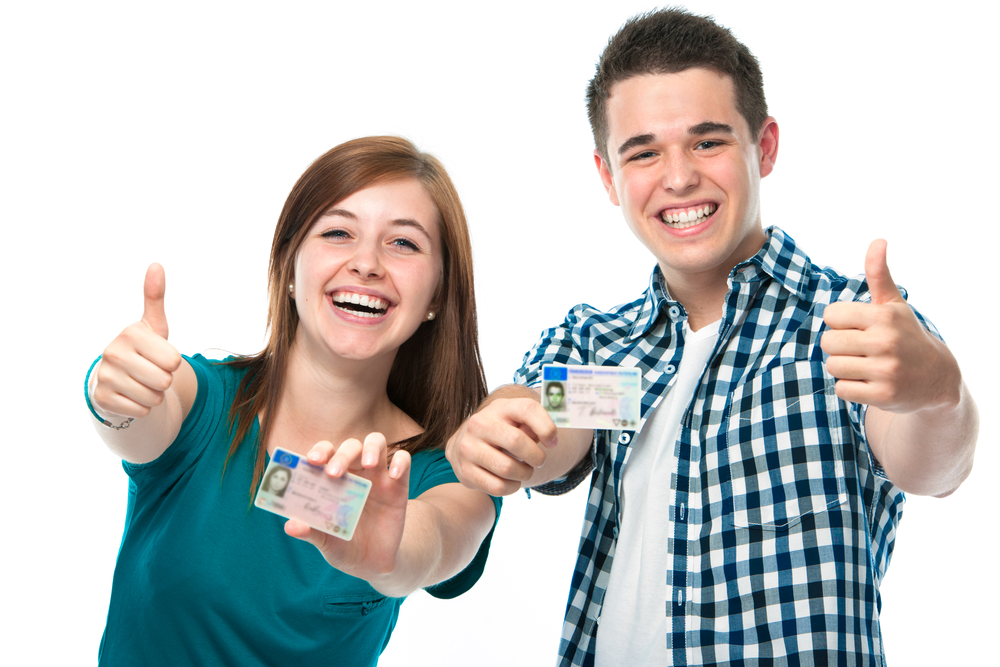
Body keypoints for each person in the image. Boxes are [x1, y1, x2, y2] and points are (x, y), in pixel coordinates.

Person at [445, 9, 978, 666]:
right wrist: (506, 426)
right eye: (642, 152)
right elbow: (553, 419)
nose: (677, 177)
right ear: (609, 177)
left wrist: (937, 392)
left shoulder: (851, 323)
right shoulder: (611, 355)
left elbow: (931, 464)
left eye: (708, 142)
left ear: (766, 146)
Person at [86, 136, 501, 666]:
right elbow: (138, 419)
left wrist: (390, 550)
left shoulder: (442, 471)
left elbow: (438, 540)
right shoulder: (203, 400)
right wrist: (116, 397)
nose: (367, 263)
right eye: (337, 232)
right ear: (288, 265)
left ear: (438, 295)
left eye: (403, 244)